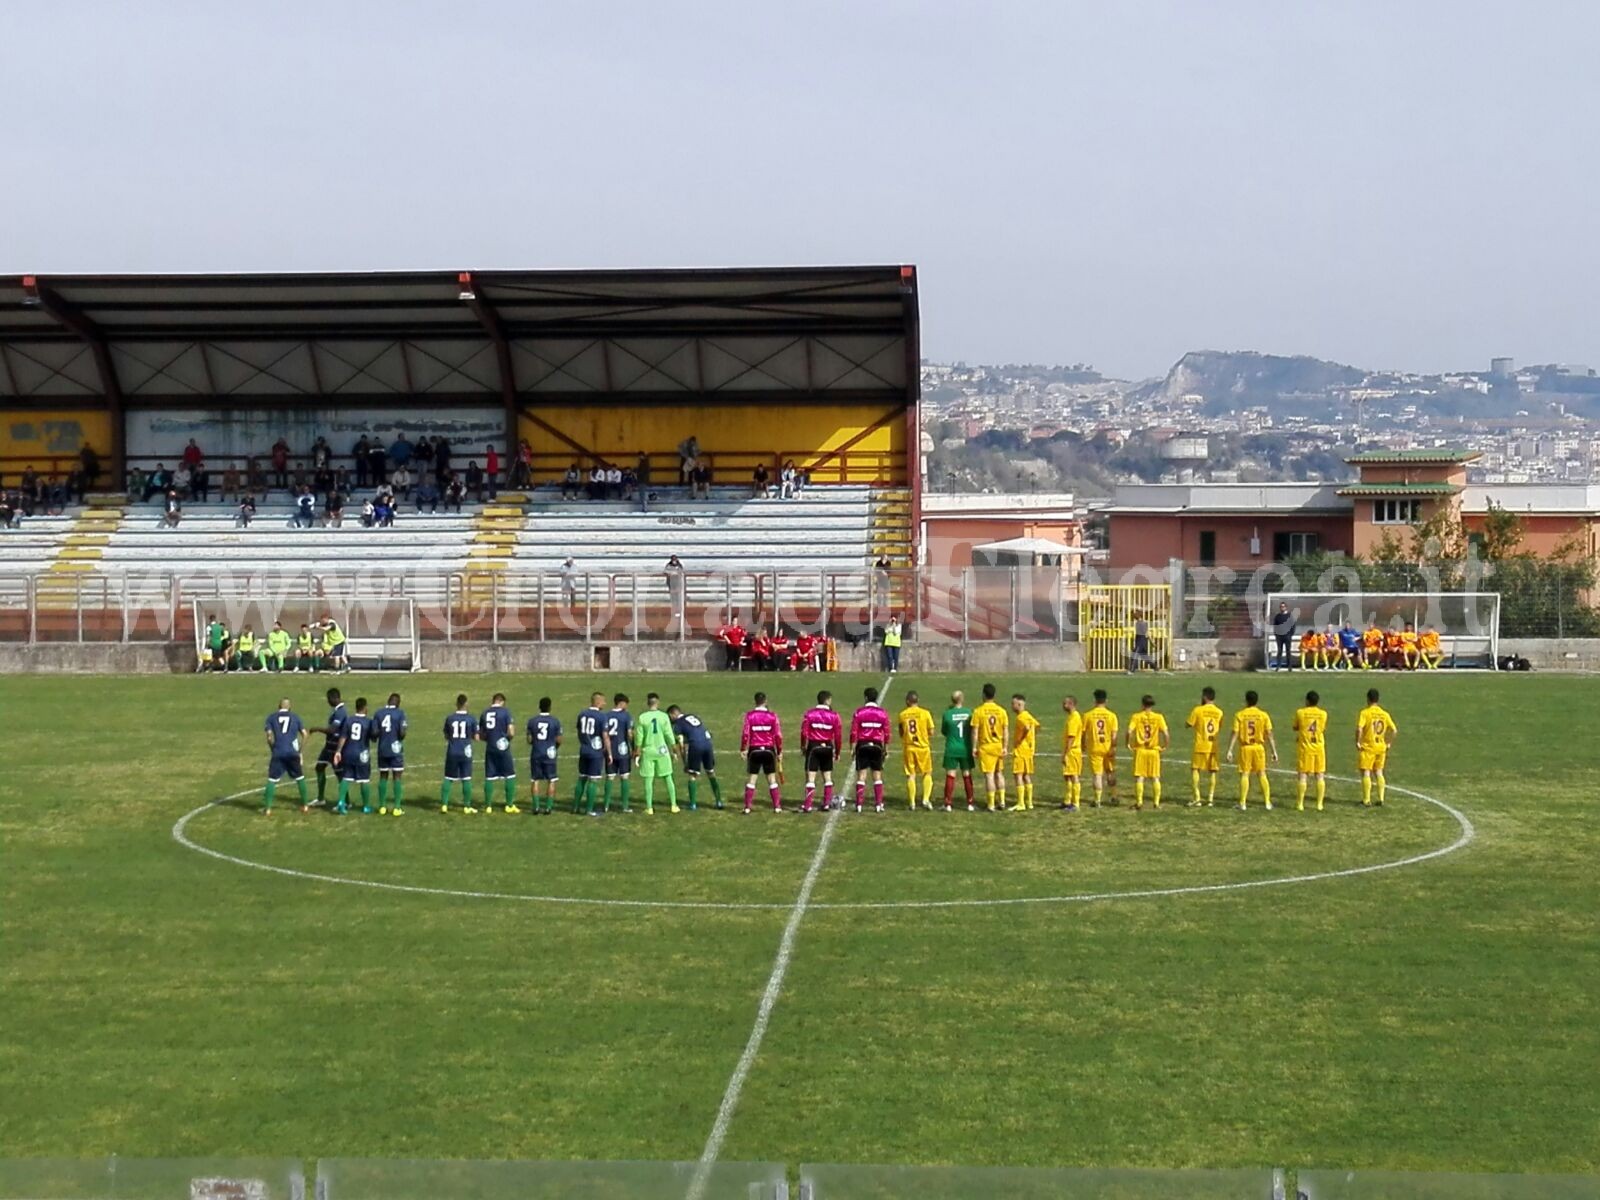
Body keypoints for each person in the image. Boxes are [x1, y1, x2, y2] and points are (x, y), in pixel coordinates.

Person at [1227, 689, 1278, 810]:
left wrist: (1230, 749)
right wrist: (1274, 751)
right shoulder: (1263, 715)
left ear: (1246, 700)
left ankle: (1243, 803)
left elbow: (1235, 732)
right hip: (1259, 747)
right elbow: (1269, 733)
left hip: (1246, 748)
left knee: (1245, 774)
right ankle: (1267, 803)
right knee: (1262, 774)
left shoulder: (1240, 715)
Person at [261, 698, 310, 814]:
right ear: (290, 707)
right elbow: (305, 734)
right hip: (292, 753)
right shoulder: (295, 717)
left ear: (279, 706)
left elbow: (269, 737)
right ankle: (305, 805)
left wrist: (273, 748)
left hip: (278, 752)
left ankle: (268, 809)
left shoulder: (271, 717)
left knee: (272, 779)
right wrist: (300, 751)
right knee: (300, 778)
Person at [633, 693, 679, 814]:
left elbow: (639, 737)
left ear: (648, 703)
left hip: (648, 750)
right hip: (662, 750)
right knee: (668, 777)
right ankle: (673, 805)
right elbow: (669, 733)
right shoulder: (664, 716)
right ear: (657, 703)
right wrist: (674, 749)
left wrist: (637, 753)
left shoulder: (643, 717)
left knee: (648, 779)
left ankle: (649, 807)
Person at [668, 705, 721, 810]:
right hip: (707, 744)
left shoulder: (678, 724)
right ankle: (719, 801)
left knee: (692, 775)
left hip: (696, 746)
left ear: (673, 714)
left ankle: (692, 804)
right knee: (710, 772)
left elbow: (682, 745)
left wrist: (685, 763)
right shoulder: (693, 716)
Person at [799, 690, 844, 813]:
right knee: (827, 777)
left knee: (810, 778)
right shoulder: (834, 715)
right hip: (828, 747)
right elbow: (838, 735)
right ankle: (826, 804)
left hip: (814, 747)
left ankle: (808, 805)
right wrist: (838, 752)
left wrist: (803, 746)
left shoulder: (809, 714)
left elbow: (804, 732)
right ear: (828, 700)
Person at [739, 692, 783, 814]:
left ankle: (747, 807)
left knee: (752, 779)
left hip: (754, 750)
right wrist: (779, 751)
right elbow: (778, 735)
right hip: (769, 749)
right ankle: (777, 806)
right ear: (765, 701)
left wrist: (743, 748)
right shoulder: (772, 716)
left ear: (755, 701)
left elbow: (746, 734)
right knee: (772, 779)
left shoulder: (750, 716)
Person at [849, 687, 892, 813]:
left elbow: (854, 732)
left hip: (862, 745)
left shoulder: (859, 712)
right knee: (877, 775)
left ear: (865, 698)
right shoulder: (882, 713)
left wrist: (852, 748)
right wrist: (886, 749)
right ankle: (878, 804)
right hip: (877, 745)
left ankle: (859, 805)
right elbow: (887, 733)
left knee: (861, 775)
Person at [893, 690, 936, 811]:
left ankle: (912, 802)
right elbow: (931, 731)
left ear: (907, 701)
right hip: (923, 747)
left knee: (911, 775)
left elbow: (901, 732)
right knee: (927, 773)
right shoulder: (925, 713)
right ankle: (925, 799)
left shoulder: (902, 715)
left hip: (909, 747)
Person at [1125, 693, 1169, 811]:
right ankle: (1156, 802)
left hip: (1141, 750)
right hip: (1154, 750)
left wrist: (1128, 743)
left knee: (1140, 777)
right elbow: (1166, 733)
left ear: (1142, 704)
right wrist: (1165, 745)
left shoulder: (1136, 716)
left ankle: (1139, 802)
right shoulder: (1158, 717)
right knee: (1155, 777)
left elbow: (1129, 731)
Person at [332, 697, 375, 814]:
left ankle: (341, 802)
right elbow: (373, 737)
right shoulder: (368, 722)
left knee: (346, 778)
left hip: (348, 752)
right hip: (362, 754)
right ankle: (366, 806)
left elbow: (343, 737)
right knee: (364, 780)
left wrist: (338, 751)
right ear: (365, 708)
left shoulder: (349, 720)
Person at [1356, 688, 1398, 808]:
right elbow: (1394, 730)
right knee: (1379, 772)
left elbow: (1359, 728)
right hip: (1381, 747)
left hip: (1369, 747)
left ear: (1368, 699)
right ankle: (1381, 798)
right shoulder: (1384, 714)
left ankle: (1366, 800)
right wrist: (1388, 743)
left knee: (1366, 772)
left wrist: (1358, 742)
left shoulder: (1365, 713)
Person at [971, 683, 1009, 812]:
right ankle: (1002, 801)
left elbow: (975, 731)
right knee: (999, 773)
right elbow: (1005, 731)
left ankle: (991, 804)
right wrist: (1005, 747)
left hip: (986, 747)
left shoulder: (978, 711)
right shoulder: (1002, 711)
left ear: (983, 694)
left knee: (989, 775)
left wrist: (973, 747)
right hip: (998, 745)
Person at [1185, 686, 1224, 807]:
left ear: (1204, 697)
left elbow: (1188, 724)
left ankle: (1197, 798)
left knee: (1195, 769)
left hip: (1201, 745)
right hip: (1213, 746)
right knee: (1213, 771)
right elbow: (1219, 726)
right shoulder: (1219, 712)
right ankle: (1210, 799)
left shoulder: (1198, 710)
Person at [479, 692, 518, 813]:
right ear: (501, 701)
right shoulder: (505, 712)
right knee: (510, 775)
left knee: (489, 776)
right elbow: (511, 732)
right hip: (503, 748)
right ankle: (509, 805)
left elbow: (481, 734)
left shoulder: (485, 713)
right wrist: (507, 740)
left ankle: (488, 806)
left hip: (490, 747)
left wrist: (489, 740)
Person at [1293, 689, 1330, 812]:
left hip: (1305, 748)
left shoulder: (1300, 712)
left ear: (1307, 701)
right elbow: (1322, 729)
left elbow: (1295, 727)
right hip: (1319, 747)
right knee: (1320, 775)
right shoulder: (1323, 714)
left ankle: (1300, 804)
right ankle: (1319, 804)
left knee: (1303, 775)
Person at [572, 692, 609, 815]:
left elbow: (579, 731)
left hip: (584, 749)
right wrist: (609, 753)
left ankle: (575, 807)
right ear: (597, 702)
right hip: (595, 752)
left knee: (581, 778)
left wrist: (583, 742)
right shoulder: (601, 716)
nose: (605, 703)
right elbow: (605, 736)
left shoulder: (582, 714)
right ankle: (589, 809)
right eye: (603, 701)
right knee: (593, 780)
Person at [440, 694, 479, 813]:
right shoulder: (471, 719)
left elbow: (446, 735)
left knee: (448, 778)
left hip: (452, 751)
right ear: (466, 704)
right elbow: (476, 737)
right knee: (466, 778)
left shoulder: (450, 718)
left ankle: (444, 805)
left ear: (456, 704)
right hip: (465, 752)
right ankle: (467, 807)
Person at [939, 691, 977, 810]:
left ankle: (948, 803)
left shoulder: (947, 714)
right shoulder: (969, 713)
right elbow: (972, 729)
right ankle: (970, 803)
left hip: (952, 748)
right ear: (962, 699)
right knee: (967, 774)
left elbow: (944, 731)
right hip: (965, 748)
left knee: (950, 774)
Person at [373, 692, 408, 815]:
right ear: (398, 703)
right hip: (395, 748)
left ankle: (382, 806)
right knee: (397, 776)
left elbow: (375, 732)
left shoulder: (378, 713)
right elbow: (402, 733)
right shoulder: (400, 713)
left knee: (383, 775)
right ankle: (397, 807)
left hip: (382, 748)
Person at [525, 698, 562, 814]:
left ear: (539, 707)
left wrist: (536, 743)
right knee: (551, 780)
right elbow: (559, 739)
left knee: (535, 780)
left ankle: (536, 807)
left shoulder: (532, 721)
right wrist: (554, 747)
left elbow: (529, 739)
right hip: (550, 753)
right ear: (550, 707)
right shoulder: (555, 721)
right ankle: (548, 807)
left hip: (536, 752)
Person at [313, 688, 348, 808]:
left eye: (329, 699)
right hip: (328, 746)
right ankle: (320, 798)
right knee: (319, 767)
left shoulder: (341, 712)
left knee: (340, 775)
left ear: (335, 698)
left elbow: (332, 730)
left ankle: (346, 802)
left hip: (335, 747)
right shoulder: (336, 711)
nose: (328, 701)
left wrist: (316, 729)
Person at [1084, 690, 1119, 807]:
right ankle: (1114, 796)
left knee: (1097, 774)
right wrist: (1113, 747)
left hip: (1094, 748)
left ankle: (1097, 800)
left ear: (1094, 700)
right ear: (1106, 701)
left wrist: (1083, 744)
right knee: (1110, 771)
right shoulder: (1112, 716)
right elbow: (1114, 735)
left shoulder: (1088, 715)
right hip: (1108, 747)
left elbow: (1083, 733)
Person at [602, 694, 634, 813]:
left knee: (610, 777)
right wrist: (634, 747)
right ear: (622, 703)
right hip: (623, 750)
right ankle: (625, 806)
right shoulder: (625, 716)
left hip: (610, 750)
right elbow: (630, 734)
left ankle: (606, 805)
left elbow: (604, 734)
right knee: (624, 777)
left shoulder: (606, 715)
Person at [1010, 693, 1041, 811]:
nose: (1012, 706)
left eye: (1013, 704)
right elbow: (1037, 726)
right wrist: (1031, 739)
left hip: (1021, 750)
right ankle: (1030, 803)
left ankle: (1021, 803)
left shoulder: (1021, 717)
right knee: (1026, 776)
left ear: (1019, 704)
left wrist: (1020, 738)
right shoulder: (1028, 715)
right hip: (1029, 750)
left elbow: (1027, 728)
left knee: (1018, 775)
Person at [1060, 695, 1085, 812]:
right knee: (1068, 776)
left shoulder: (1074, 718)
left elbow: (1071, 737)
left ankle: (1076, 803)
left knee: (1074, 776)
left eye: (1065, 703)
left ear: (1071, 704)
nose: (1063, 705)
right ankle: (1068, 801)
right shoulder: (1072, 716)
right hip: (1072, 751)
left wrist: (1066, 753)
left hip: (1073, 751)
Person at [1272, 600, 1295, 670]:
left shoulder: (1290, 616)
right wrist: (1276, 634)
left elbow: (1293, 626)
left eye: (1283, 606)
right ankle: (1278, 666)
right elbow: (1275, 626)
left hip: (1287, 636)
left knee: (1288, 651)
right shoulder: (1277, 616)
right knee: (1279, 651)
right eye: (1281, 607)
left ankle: (1289, 666)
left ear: (1286, 607)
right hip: (1279, 637)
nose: (1282, 608)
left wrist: (1290, 634)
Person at [665, 555, 686, 625]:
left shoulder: (679, 566)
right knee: (673, 598)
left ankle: (679, 612)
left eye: (675, 559)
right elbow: (666, 572)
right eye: (673, 559)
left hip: (678, 584)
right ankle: (674, 611)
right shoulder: (668, 565)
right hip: (671, 584)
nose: (674, 561)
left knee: (679, 598)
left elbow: (682, 573)